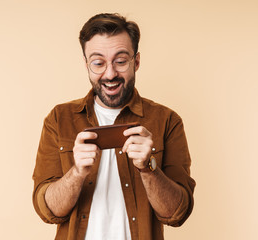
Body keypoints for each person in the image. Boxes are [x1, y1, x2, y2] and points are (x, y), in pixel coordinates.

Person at [32, 13, 196, 240]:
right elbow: (47, 211)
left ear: (136, 62)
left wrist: (149, 168)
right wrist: (77, 173)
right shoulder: (59, 119)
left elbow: (177, 213)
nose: (110, 74)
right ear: (86, 64)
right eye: (98, 63)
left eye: (120, 61)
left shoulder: (167, 120)